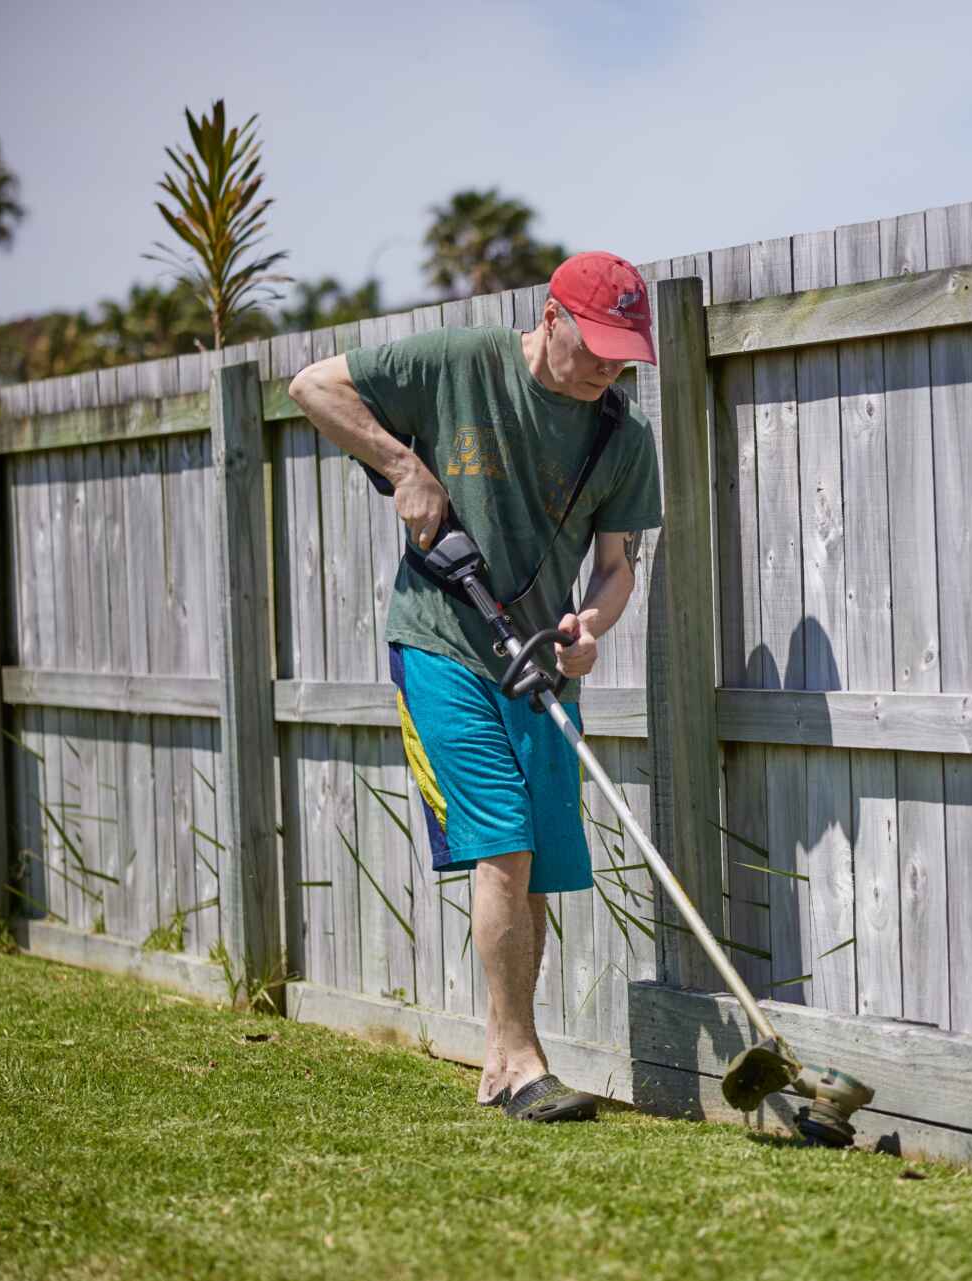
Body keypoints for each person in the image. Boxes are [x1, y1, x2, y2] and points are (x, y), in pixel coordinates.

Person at [288, 252, 662, 1123]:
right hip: (441, 644)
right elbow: (312, 386)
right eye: (597, 345)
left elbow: (614, 571)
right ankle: (529, 1063)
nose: (609, 366)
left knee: (533, 867)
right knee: (503, 840)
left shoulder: (622, 437)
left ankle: (500, 1064)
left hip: (536, 659)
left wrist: (588, 630)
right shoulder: (459, 364)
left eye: (624, 352)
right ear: (551, 317)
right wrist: (403, 466)